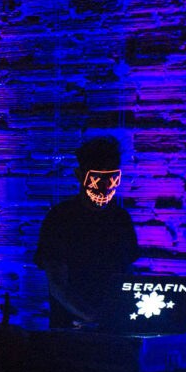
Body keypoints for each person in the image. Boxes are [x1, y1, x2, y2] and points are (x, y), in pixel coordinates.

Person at [35, 136, 139, 329]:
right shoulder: (60, 219)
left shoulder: (120, 218)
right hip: (69, 331)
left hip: (113, 328)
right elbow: (57, 285)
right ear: (79, 175)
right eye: (97, 179)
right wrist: (94, 318)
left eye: (112, 178)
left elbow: (128, 276)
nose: (106, 187)